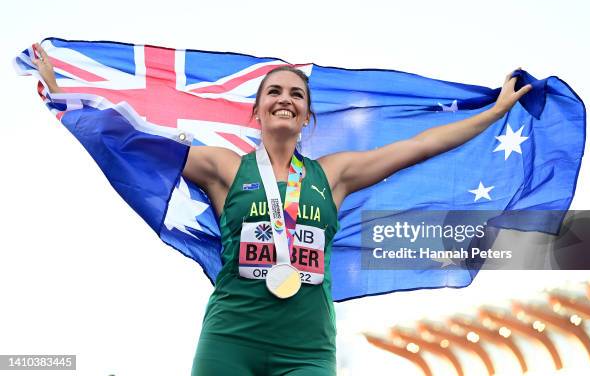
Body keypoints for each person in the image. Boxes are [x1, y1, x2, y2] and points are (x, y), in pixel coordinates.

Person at [32, 42, 532, 375]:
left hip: (307, 346)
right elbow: (136, 142)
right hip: (232, 334)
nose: (285, 99)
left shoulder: (333, 174)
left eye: (296, 94)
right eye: (275, 92)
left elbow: (420, 146)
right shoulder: (224, 167)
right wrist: (63, 96)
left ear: (307, 114)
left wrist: (492, 112)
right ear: (257, 110)